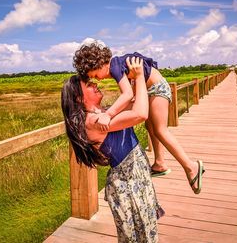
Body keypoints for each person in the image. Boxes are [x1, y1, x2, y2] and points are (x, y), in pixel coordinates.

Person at [73, 40, 205, 194]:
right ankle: (160, 163)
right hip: (153, 89)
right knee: (151, 128)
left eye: (95, 75)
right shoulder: (117, 65)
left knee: (160, 130)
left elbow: (127, 94)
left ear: (100, 64)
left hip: (157, 89)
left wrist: (108, 114)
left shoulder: (114, 68)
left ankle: (191, 167)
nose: (98, 79)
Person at [61, 57, 164, 242]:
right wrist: (139, 77)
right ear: (79, 97)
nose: (94, 84)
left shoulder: (101, 115)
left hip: (135, 178)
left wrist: (133, 80)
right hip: (127, 184)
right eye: (88, 84)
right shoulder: (92, 121)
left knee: (146, 233)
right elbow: (140, 114)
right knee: (139, 238)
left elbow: (136, 103)